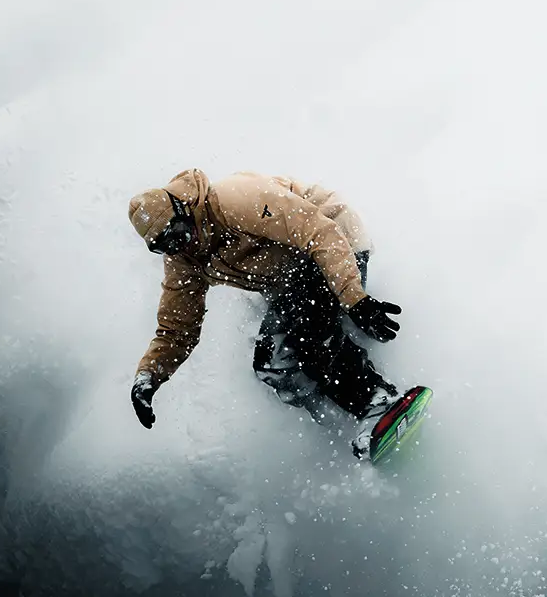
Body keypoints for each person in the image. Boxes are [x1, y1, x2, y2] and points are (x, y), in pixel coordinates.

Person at [126, 169, 403, 458]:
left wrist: (354, 299)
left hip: (334, 242)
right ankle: (345, 419)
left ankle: (379, 400)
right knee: (273, 364)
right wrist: (149, 376)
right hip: (293, 279)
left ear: (184, 209)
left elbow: (319, 232)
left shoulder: (235, 200)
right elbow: (178, 329)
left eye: (179, 235)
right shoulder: (184, 260)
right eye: (165, 247)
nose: (182, 246)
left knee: (306, 338)